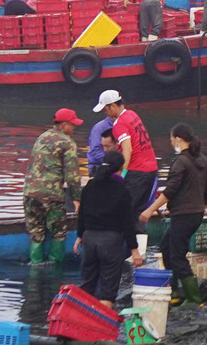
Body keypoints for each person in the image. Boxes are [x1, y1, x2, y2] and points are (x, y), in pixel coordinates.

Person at [140, 123, 207, 305]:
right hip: (195, 213)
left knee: (177, 256)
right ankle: (175, 292)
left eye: (171, 139)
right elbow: (205, 190)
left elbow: (170, 190)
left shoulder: (181, 162)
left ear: (178, 139)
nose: (171, 143)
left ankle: (194, 299)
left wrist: (149, 210)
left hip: (184, 215)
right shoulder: (201, 160)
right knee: (166, 247)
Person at [75, 150, 143, 308]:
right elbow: (127, 222)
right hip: (110, 242)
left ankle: (81, 319)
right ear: (121, 168)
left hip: (89, 239)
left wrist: (79, 236)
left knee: (87, 286)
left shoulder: (90, 185)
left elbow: (82, 213)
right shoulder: (121, 189)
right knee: (107, 291)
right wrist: (134, 249)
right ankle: (101, 321)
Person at [93, 90, 158, 250]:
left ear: (112, 106)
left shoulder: (119, 124)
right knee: (137, 213)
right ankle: (139, 253)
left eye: (106, 110)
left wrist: (121, 174)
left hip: (136, 173)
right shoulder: (132, 115)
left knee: (123, 211)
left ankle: (119, 251)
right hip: (151, 170)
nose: (106, 113)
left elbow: (127, 149)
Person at [23, 108, 82, 266]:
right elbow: (72, 176)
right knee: (58, 232)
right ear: (64, 125)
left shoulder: (41, 137)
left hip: (30, 193)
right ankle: (55, 271)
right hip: (52, 195)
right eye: (72, 125)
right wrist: (77, 198)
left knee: (36, 233)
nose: (74, 128)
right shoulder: (68, 143)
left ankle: (35, 268)